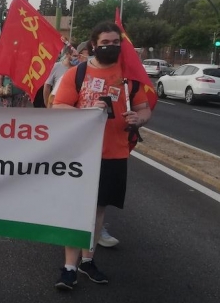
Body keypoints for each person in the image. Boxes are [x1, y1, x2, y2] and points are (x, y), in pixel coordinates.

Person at [52, 21, 151, 291]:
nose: (110, 47)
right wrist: (86, 113)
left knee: (97, 212)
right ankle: (69, 267)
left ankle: (88, 260)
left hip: (114, 153)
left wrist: (137, 119)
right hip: (80, 153)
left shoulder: (129, 76)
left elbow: (144, 109)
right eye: (105, 42)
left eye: (115, 43)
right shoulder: (77, 73)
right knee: (76, 209)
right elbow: (58, 106)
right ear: (93, 44)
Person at [44, 43, 80, 108]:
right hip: (57, 105)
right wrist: (47, 106)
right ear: (67, 55)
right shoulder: (56, 67)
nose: (77, 58)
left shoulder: (80, 69)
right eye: (75, 56)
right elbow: (47, 87)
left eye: (78, 56)